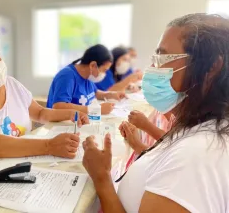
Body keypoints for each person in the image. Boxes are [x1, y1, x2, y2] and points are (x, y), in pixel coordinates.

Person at [82, 13, 229, 213]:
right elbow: (165, 165)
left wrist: (101, 178)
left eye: (163, 58)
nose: (152, 68)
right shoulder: (201, 128)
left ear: (212, 67)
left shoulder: (196, 157)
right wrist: (138, 145)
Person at [0, 36, 89, 167]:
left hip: (18, 166)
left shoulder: (11, 84)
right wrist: (49, 146)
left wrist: (72, 114)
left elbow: (39, 113)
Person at [47, 44, 125, 115]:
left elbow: (95, 93)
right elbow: (58, 106)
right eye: (104, 70)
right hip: (61, 125)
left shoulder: (88, 76)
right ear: (93, 65)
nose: (104, 74)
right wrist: (95, 109)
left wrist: (111, 94)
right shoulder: (67, 76)